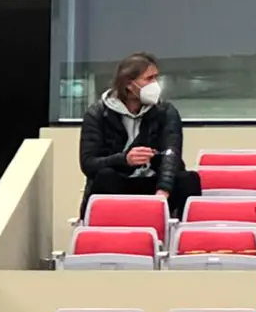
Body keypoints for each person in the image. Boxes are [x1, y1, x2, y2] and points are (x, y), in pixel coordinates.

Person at [79, 52, 201, 218]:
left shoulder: (165, 111)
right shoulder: (97, 114)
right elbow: (88, 163)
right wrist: (124, 160)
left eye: (155, 78)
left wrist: (163, 190)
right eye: (148, 79)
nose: (155, 84)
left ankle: (185, 236)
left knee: (188, 179)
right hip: (120, 182)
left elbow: (171, 153)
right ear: (129, 84)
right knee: (105, 176)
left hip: (154, 181)